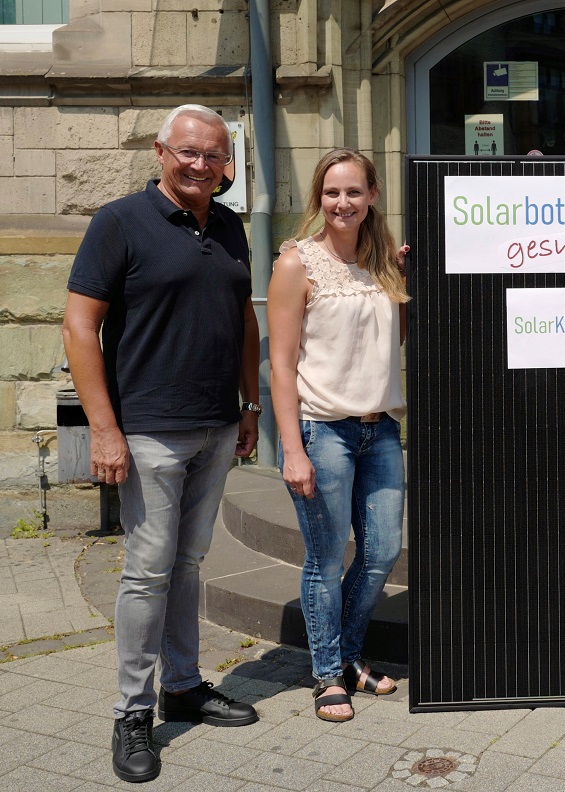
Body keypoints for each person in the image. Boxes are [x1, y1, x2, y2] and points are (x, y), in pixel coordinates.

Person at [62, 103, 261, 784]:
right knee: (147, 571)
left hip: (214, 422)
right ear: (161, 152)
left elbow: (243, 318)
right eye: (190, 153)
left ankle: (183, 684)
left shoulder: (230, 225)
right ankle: (130, 712)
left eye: (213, 155)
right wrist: (105, 429)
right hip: (147, 429)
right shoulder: (120, 221)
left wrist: (251, 402)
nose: (202, 165)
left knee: (189, 564)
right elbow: (79, 327)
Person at [268, 149, 410, 723]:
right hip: (320, 428)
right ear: (318, 199)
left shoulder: (383, 265)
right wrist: (291, 450)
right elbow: (279, 364)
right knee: (325, 559)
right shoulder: (296, 263)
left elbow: (390, 346)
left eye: (354, 192)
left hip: (381, 429)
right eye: (332, 193)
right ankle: (328, 673)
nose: (342, 203)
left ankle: (348, 657)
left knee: (382, 552)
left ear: (372, 196)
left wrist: (412, 280)